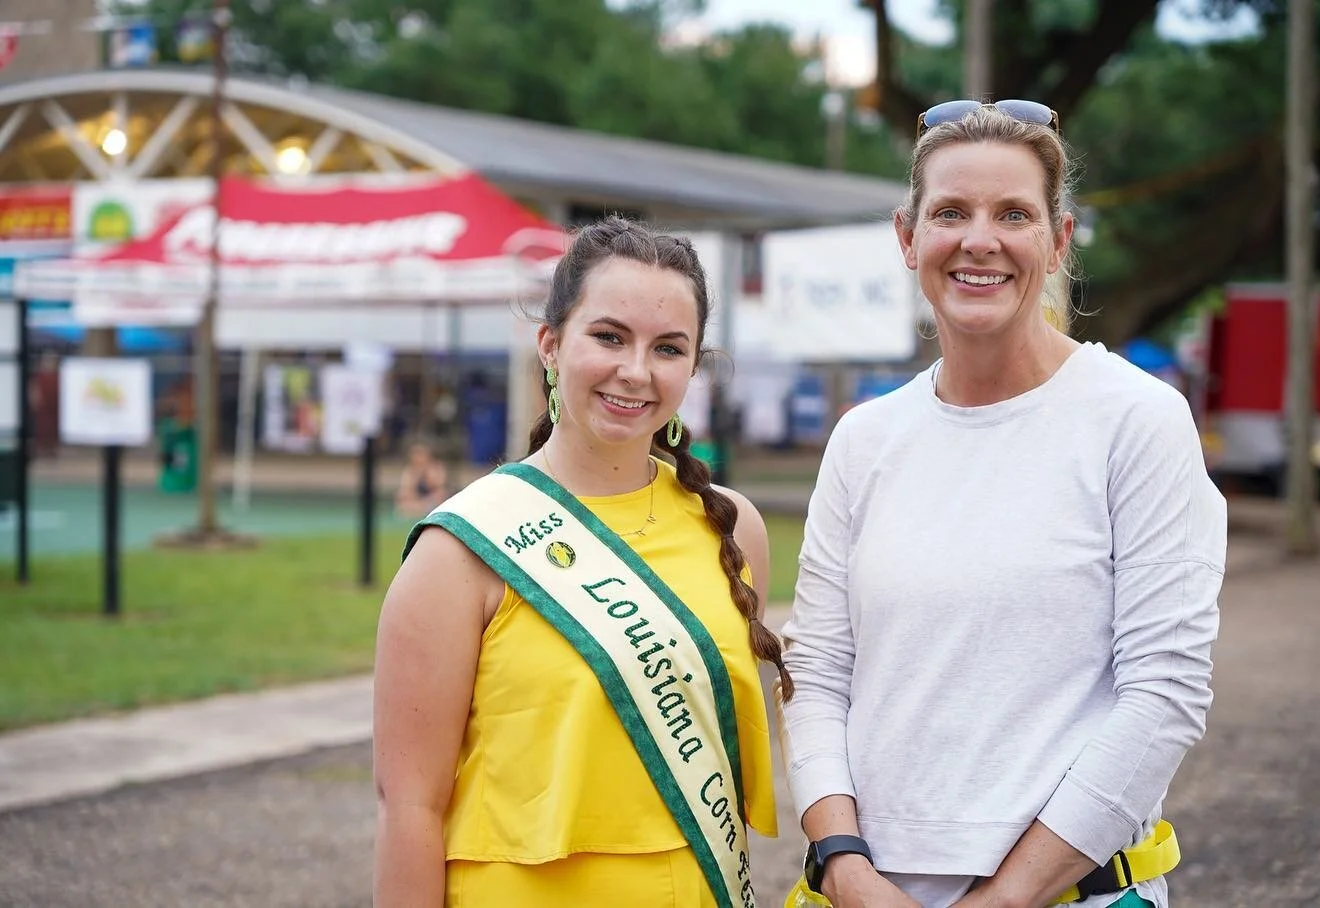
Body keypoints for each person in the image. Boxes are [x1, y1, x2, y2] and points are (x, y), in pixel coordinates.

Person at [780, 100, 1227, 908]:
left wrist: (1004, 900)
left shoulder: (1137, 420)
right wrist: (845, 866)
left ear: (1057, 240)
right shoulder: (866, 439)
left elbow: (1163, 693)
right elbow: (817, 675)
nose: (978, 239)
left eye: (1013, 214)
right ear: (907, 237)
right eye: (950, 212)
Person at [372, 217, 791, 907]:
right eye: (608, 336)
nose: (635, 371)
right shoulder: (462, 548)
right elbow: (409, 807)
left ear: (694, 366)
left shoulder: (733, 528)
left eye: (668, 348)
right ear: (550, 344)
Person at [393, 440, 448, 518]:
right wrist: (416, 475)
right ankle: (418, 509)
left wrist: (426, 473)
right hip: (418, 499)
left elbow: (438, 487)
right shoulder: (410, 470)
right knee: (402, 496)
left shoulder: (436, 467)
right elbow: (406, 489)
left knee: (441, 494)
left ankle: (419, 510)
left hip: (431, 498)